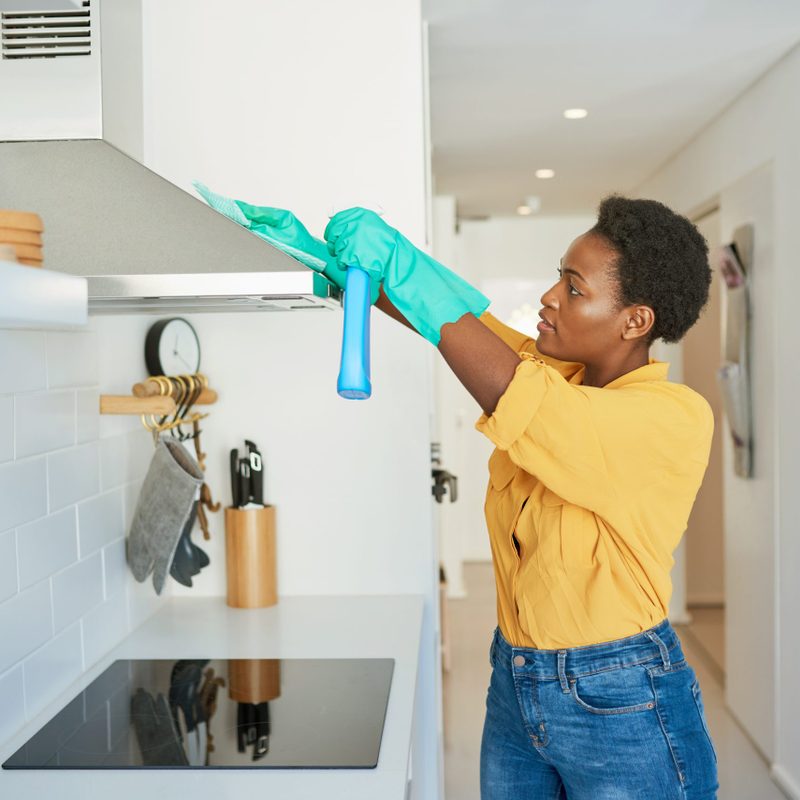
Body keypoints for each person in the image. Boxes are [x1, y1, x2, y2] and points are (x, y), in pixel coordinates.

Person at [198, 187, 719, 798]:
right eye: (559, 278)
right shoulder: (554, 372)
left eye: (574, 289)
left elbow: (518, 393)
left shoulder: (673, 417)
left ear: (636, 320)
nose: (551, 297)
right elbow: (456, 321)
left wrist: (400, 260)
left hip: (623, 699)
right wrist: (323, 261)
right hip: (516, 682)